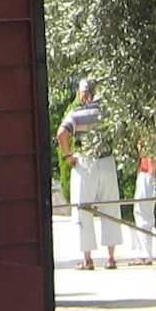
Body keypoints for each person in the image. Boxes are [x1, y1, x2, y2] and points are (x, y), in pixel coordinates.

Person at [56, 78, 121, 271]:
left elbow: (61, 134)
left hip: (85, 164)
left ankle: (88, 259)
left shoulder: (75, 113)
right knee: (111, 208)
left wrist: (68, 156)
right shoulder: (106, 112)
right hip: (107, 161)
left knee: (83, 210)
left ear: (81, 93)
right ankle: (111, 258)